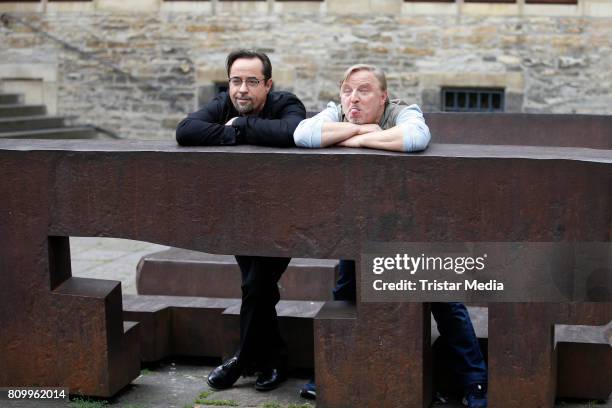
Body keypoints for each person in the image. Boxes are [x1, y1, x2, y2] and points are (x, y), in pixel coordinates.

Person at [293, 64, 488, 408]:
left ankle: (475, 382)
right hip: (360, 227)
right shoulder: (335, 112)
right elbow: (303, 135)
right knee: (345, 295)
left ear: (383, 97)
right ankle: (330, 372)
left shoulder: (403, 111)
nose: (353, 97)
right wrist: (359, 130)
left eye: (364, 90)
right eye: (348, 90)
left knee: (445, 301)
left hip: (415, 225)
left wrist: (359, 135)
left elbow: (415, 138)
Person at [176, 49, 306, 392]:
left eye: (252, 81)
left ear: (268, 84)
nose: (242, 90)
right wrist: (237, 132)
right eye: (236, 81)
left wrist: (242, 125)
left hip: (283, 217)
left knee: (255, 286)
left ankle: (241, 360)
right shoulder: (223, 105)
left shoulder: (287, 103)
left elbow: (292, 131)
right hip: (242, 217)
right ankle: (274, 361)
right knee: (258, 289)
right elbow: (186, 130)